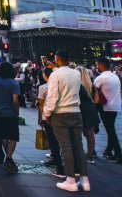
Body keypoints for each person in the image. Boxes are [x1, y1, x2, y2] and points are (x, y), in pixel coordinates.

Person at [43, 50, 89, 192]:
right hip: (75, 112)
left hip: (60, 114)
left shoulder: (55, 75)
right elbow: (64, 75)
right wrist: (54, 67)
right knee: (78, 146)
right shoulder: (76, 73)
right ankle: (85, 180)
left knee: (66, 147)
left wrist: (47, 113)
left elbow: (52, 96)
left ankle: (70, 181)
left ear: (57, 59)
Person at [0, 62, 20, 174]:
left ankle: (8, 158)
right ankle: (8, 158)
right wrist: (17, 112)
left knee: (3, 136)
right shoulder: (14, 83)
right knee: (13, 137)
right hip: (10, 114)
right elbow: (15, 101)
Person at [94, 57, 122, 163]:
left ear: (101, 65)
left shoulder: (100, 78)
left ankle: (118, 154)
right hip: (115, 106)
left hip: (105, 107)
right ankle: (108, 150)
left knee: (110, 131)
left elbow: (95, 93)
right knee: (111, 129)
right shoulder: (115, 76)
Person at [38, 67, 64, 177]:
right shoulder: (60, 85)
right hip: (61, 115)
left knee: (53, 142)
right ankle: (74, 167)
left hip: (47, 116)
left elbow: (41, 105)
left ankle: (59, 167)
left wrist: (40, 117)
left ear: (45, 75)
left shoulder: (43, 87)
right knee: (64, 142)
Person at [76, 66, 98, 164]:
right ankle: (90, 155)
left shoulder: (77, 85)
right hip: (91, 109)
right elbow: (97, 100)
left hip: (80, 109)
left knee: (77, 134)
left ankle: (79, 155)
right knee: (90, 135)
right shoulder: (91, 85)